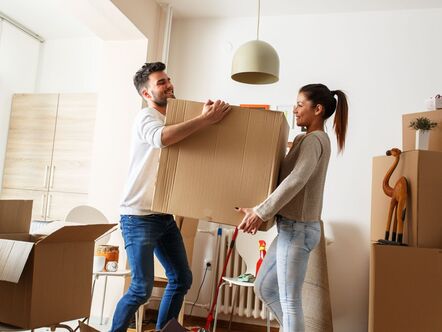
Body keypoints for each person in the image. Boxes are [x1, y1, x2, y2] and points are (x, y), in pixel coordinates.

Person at [111, 62, 231, 332]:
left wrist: (205, 118)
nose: (169, 85)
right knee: (141, 288)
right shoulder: (146, 118)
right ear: (146, 94)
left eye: (168, 79)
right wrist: (204, 119)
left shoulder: (173, 119)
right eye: (160, 83)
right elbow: (162, 138)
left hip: (163, 214)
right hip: (138, 216)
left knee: (181, 278)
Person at [236, 83, 348, 332]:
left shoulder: (315, 140)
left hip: (297, 230)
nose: (295, 109)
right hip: (290, 229)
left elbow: (297, 179)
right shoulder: (306, 139)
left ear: (317, 109)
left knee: (290, 301)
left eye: (300, 104)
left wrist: (260, 212)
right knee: (264, 287)